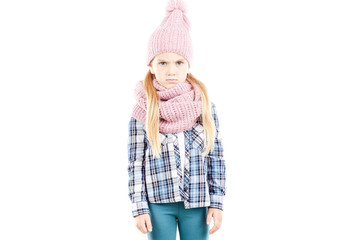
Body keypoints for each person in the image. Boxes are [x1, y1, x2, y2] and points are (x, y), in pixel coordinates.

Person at [127, 0, 226, 239]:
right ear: (151, 66)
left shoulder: (203, 105)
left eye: (179, 62)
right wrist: (139, 207)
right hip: (158, 203)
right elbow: (135, 163)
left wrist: (217, 201)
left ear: (188, 64)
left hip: (197, 202)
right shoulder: (143, 108)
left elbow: (215, 155)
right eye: (163, 62)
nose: (171, 71)